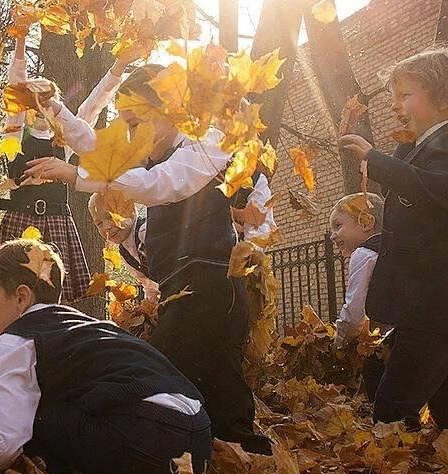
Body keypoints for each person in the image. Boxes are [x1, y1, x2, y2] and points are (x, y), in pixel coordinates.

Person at [23, 63, 271, 454]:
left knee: (160, 371)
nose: (130, 134)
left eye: (136, 121)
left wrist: (74, 176)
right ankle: (235, 452)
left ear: (171, 110)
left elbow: (164, 186)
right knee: (219, 378)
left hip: (210, 284)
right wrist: (54, 108)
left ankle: (174, 446)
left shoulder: (207, 145)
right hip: (182, 286)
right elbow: (97, 148)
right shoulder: (149, 151)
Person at [340, 47, 448, 444]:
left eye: (406, 95)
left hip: (441, 305)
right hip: (433, 305)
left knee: (392, 408)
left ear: (445, 96)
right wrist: (392, 153)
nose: (397, 105)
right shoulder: (425, 142)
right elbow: (414, 181)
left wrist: (379, 161)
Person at [0, 239, 211, 474]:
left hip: (148, 434)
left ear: (21, 297)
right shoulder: (80, 325)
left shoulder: (17, 339)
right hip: (199, 433)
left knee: (36, 416)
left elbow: (6, 439)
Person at [0, 36, 137, 302]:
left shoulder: (66, 140)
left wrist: (119, 65)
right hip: (19, 221)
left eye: (46, 101)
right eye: (35, 102)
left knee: (55, 292)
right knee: (12, 289)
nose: (41, 108)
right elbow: (15, 87)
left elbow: (95, 102)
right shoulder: (15, 135)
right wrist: (20, 44)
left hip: (57, 221)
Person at [328, 192, 383, 348]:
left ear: (366, 222)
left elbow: (354, 312)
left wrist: (340, 342)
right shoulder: (391, 248)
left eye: (338, 225)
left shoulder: (364, 254)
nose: (332, 236)